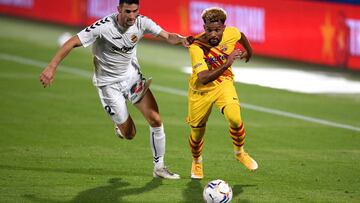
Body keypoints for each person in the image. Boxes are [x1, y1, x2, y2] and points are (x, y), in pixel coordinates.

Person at [39, 0, 188, 179]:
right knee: (130, 134)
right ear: (119, 10)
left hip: (131, 78)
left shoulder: (142, 22)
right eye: (127, 11)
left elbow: (168, 36)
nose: (132, 16)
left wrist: (182, 40)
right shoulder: (103, 27)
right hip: (108, 85)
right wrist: (51, 67)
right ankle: (119, 125)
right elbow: (72, 42)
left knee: (156, 120)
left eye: (135, 11)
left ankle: (159, 167)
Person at [186, 7, 258, 179]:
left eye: (217, 30)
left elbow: (240, 35)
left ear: (223, 29)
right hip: (200, 91)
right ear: (204, 28)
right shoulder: (196, 47)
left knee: (235, 117)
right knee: (197, 133)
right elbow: (203, 78)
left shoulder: (231, 33)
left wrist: (249, 51)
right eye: (209, 30)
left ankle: (240, 152)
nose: (213, 34)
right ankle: (196, 162)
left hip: (223, 83)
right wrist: (226, 63)